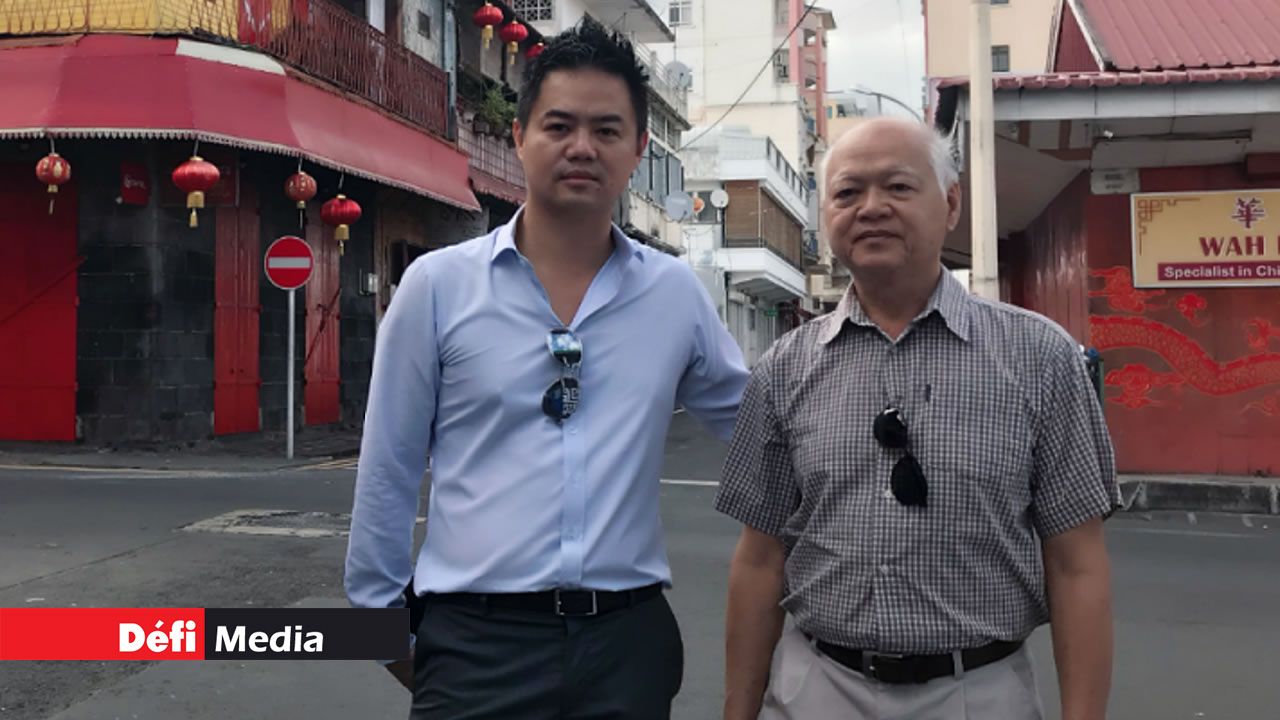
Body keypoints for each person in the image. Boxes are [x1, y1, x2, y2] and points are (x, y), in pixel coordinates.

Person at [343, 17, 748, 720]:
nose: (581, 147)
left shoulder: (673, 294)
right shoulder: (438, 288)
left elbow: (760, 422)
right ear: (520, 133)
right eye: (559, 125)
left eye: (607, 130)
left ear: (638, 149)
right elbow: (388, 469)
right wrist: (390, 631)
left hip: (627, 645)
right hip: (472, 646)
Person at [714, 117, 1121, 720]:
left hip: (977, 692)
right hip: (817, 688)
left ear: (950, 203)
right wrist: (738, 710)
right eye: (848, 192)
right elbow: (759, 558)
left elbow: (1077, 563)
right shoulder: (784, 367)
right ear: (825, 215)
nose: (871, 207)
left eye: (899, 188)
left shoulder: (1040, 357)